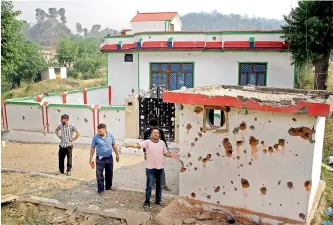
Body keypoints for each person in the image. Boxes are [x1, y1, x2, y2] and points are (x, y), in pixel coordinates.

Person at [125, 127, 179, 210]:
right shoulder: (147, 142)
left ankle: (158, 201)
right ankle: (147, 201)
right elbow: (138, 145)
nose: (156, 134)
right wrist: (129, 144)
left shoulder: (162, 143)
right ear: (151, 134)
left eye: (157, 132)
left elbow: (165, 153)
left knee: (159, 186)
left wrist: (172, 155)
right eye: (154, 132)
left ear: (159, 134)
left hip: (160, 169)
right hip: (150, 169)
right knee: (149, 186)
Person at [90, 123, 120, 194]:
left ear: (105, 130)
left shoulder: (110, 135)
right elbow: (93, 147)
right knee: (99, 174)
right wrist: (91, 158)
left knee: (109, 173)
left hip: (109, 158)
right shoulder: (95, 137)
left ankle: (108, 186)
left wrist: (117, 154)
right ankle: (100, 190)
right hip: (99, 159)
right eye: (98, 131)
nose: (99, 132)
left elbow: (114, 145)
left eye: (100, 131)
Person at [143, 118, 171, 191]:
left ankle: (163, 184)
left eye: (155, 127)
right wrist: (145, 153)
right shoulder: (147, 133)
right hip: (150, 155)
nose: (154, 129)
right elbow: (144, 144)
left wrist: (166, 151)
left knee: (160, 169)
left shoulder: (160, 132)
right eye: (152, 127)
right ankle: (152, 185)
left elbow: (164, 141)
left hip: (159, 154)